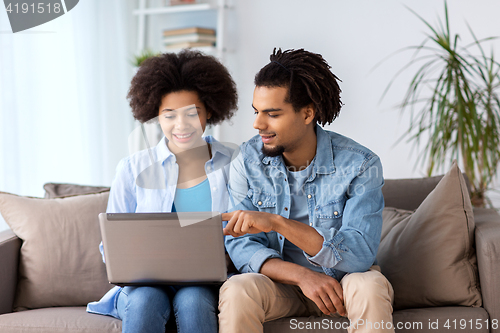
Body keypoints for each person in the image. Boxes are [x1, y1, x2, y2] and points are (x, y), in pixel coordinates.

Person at [220, 48, 394, 333]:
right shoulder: (247, 162)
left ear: (307, 114)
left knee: (369, 285)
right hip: (282, 286)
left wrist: (277, 223)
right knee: (239, 288)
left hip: (344, 282)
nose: (257, 124)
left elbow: (360, 253)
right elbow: (241, 246)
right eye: (256, 112)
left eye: (272, 114)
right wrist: (303, 276)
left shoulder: (361, 164)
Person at [87, 50, 238, 333]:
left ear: (210, 111)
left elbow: (248, 230)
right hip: (143, 285)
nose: (181, 125)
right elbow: (111, 244)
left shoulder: (233, 164)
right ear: (156, 115)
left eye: (192, 113)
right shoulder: (132, 168)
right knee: (145, 300)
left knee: (193, 300)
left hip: (203, 283)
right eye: (169, 116)